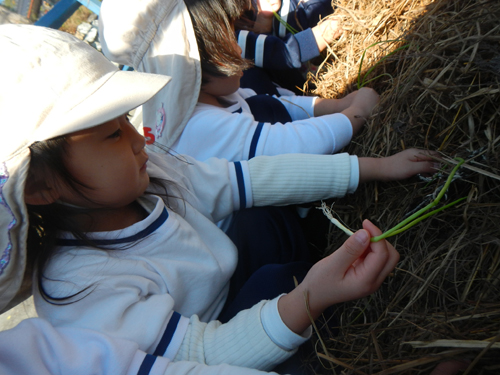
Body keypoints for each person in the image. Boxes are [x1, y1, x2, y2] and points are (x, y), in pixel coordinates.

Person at [1, 23, 416, 375]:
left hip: (237, 282)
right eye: (111, 134)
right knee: (277, 281)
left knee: (257, 214)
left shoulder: (151, 175)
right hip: (220, 344)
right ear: (40, 187)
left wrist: (374, 167)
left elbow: (251, 178)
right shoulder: (79, 289)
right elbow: (203, 355)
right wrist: (311, 297)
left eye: (125, 120)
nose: (137, 139)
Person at [99, 0, 377, 161]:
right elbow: (290, 144)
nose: (239, 47)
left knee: (264, 105)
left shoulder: (217, 95)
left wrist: (337, 104)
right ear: (195, 55)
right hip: (269, 235)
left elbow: (277, 105)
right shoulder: (198, 126)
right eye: (228, 37)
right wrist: (355, 113)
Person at [235, 0, 342, 93]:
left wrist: (264, 18)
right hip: (290, 92)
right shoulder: (229, 42)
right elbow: (284, 52)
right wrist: (337, 25)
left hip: (281, 28)